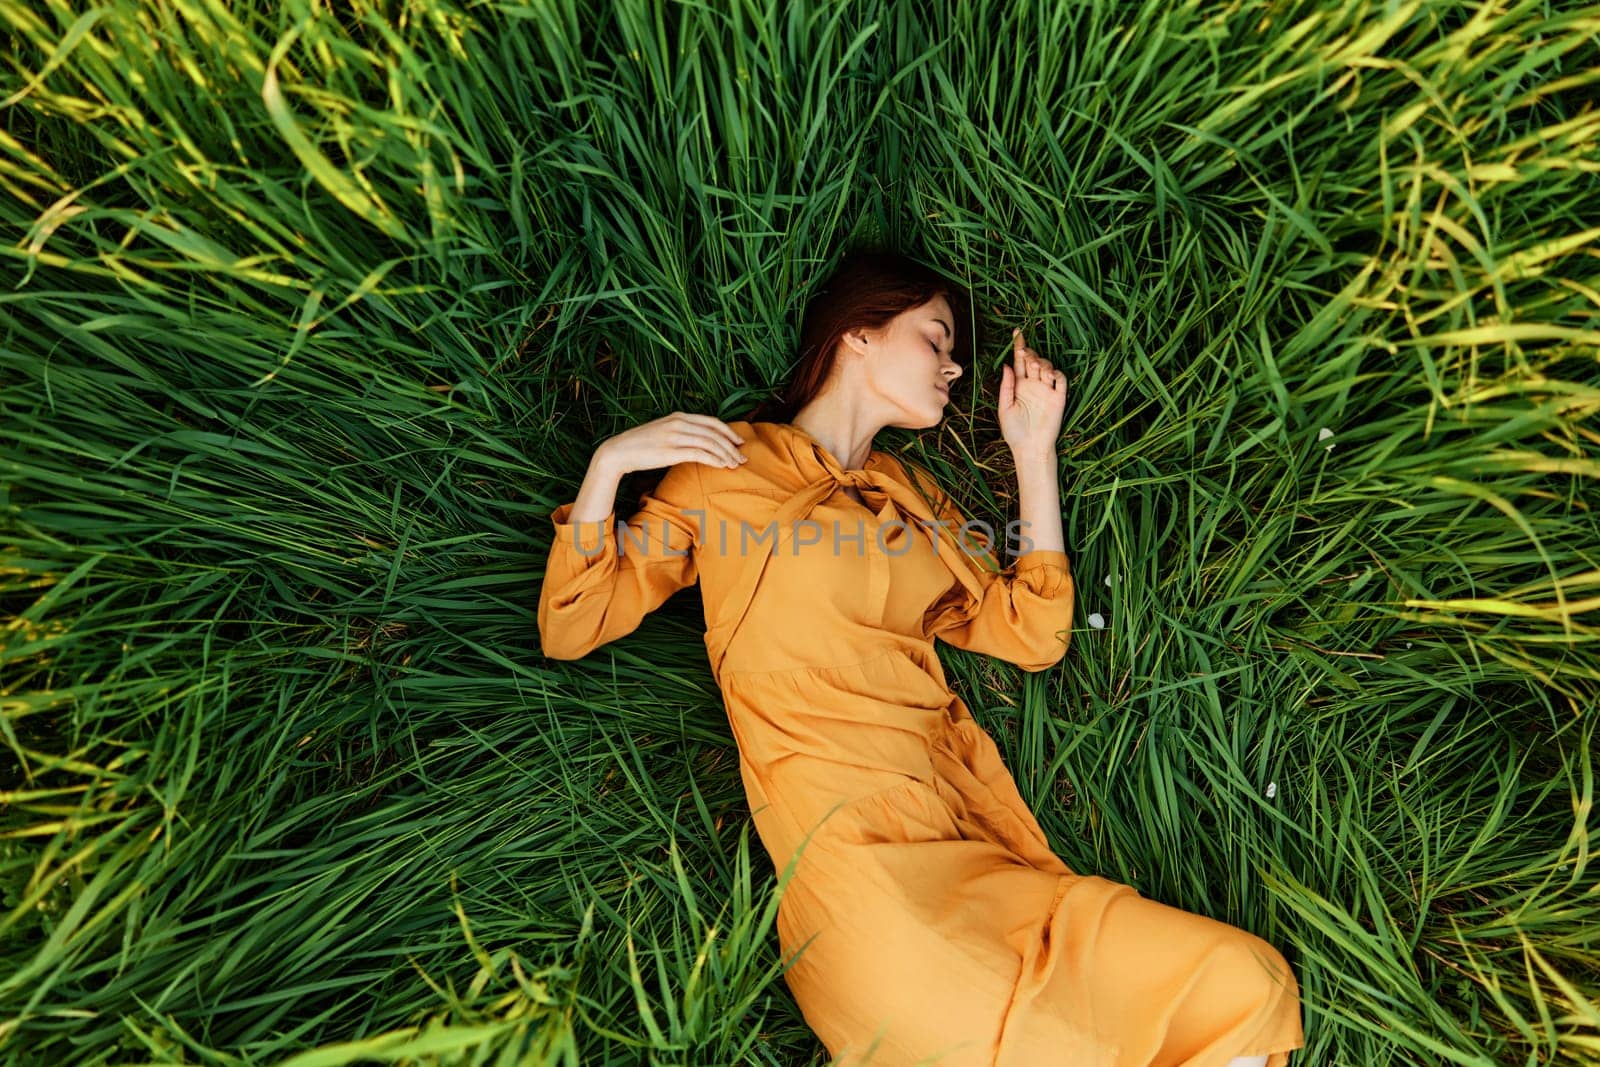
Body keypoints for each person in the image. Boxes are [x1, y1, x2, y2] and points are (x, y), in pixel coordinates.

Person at [537, 249, 1305, 1066]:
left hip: (959, 840)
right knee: (1001, 1030)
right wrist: (610, 464)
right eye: (935, 338)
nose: (955, 364)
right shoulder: (723, 471)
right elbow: (572, 623)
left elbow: (1032, 632)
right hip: (849, 862)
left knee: (1246, 982)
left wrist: (1032, 451)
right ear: (858, 335)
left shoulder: (913, 501)